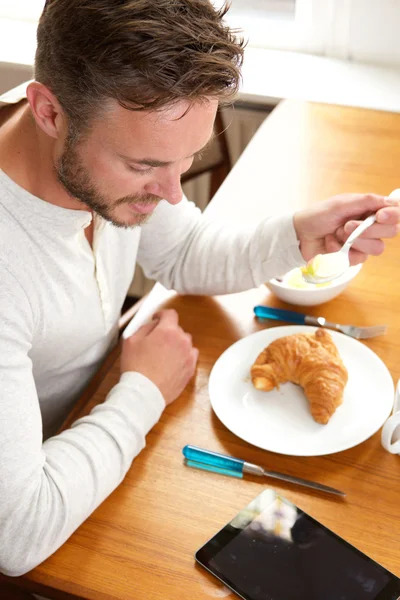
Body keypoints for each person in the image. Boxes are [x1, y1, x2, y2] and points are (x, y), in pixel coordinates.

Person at [0, 0, 399, 579]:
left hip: (99, 416)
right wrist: (143, 388)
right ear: (48, 111)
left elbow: (182, 251)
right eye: (145, 166)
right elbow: (18, 532)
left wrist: (300, 236)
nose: (169, 192)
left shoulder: (101, 152)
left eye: (183, 161)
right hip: (54, 478)